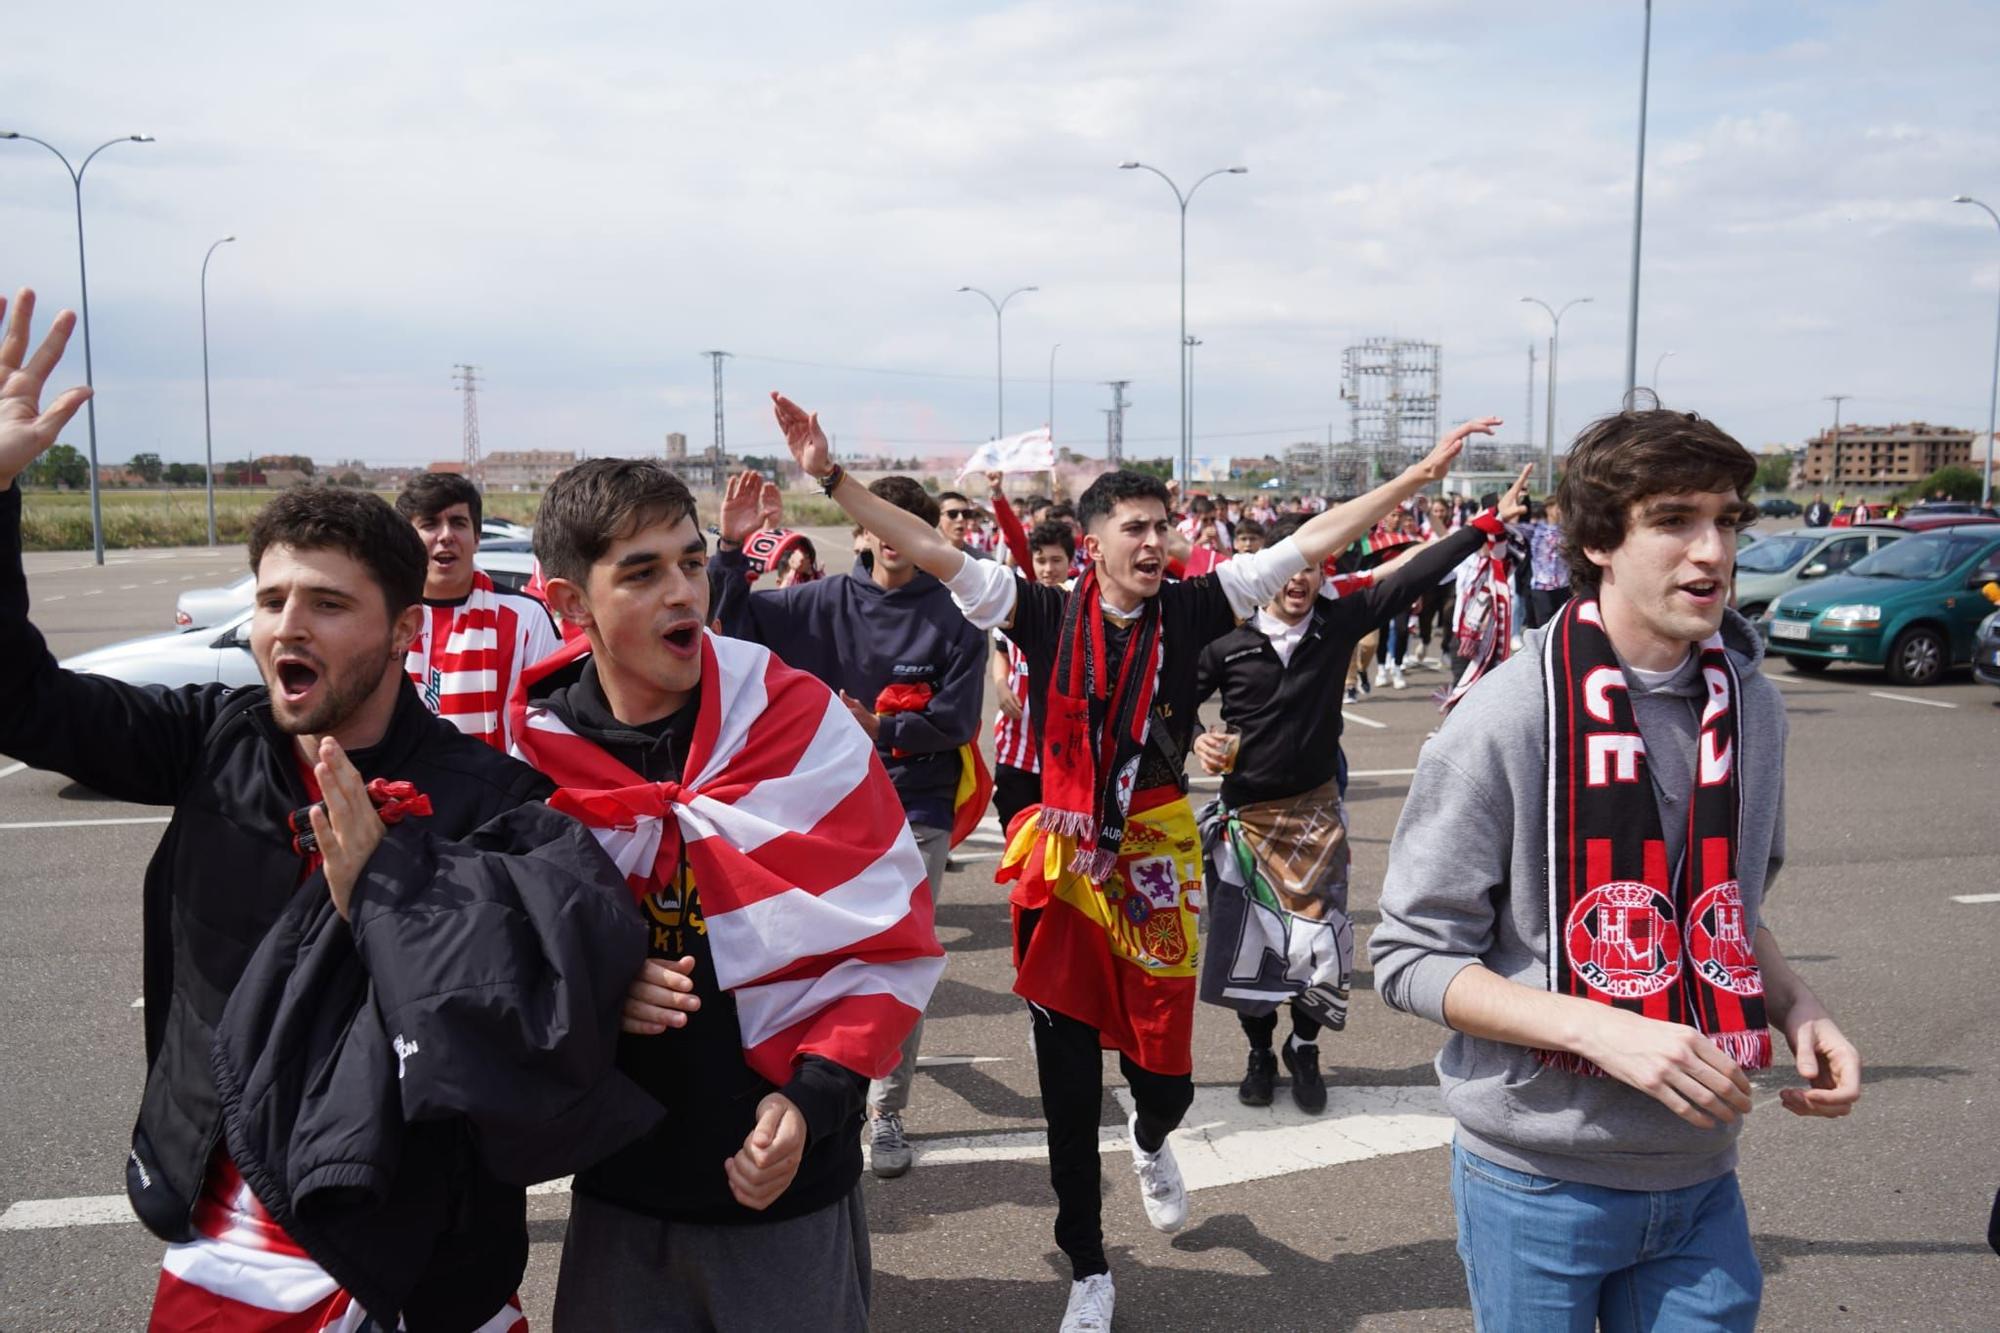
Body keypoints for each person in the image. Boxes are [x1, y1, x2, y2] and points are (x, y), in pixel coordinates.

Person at [772, 388, 1499, 1333]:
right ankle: (1088, 1267)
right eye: (1135, 528)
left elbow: (1316, 540)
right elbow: (928, 542)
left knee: (1166, 1074)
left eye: (1163, 526)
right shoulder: (1030, 607)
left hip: (1154, 855)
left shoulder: (1199, 605)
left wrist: (1421, 477)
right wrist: (830, 477)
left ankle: (1153, 1135)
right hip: (1066, 862)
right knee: (1066, 1081)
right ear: (1095, 541)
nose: (1154, 543)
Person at [0, 289, 656, 1333]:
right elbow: (21, 697)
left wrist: (387, 885)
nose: (283, 627)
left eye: (325, 603)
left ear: (403, 633)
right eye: (268, 601)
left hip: (421, 1270)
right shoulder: (212, 741)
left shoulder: (494, 800)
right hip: (226, 1255)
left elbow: (541, 1001)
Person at [1371, 408, 1862, 1331]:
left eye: (1727, 518)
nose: (1711, 551)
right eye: (1674, 519)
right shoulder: (1505, 718)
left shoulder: (1751, 707)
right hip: (1539, 1181)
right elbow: (1409, 957)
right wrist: (1604, 1029)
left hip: (1703, 1174)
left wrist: (1798, 1004)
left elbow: (1722, 911)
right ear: (1599, 538)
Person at [517, 458, 945, 1333]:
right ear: (570, 605)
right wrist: (600, 983)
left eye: (690, 559)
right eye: (641, 572)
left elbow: (888, 937)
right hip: (619, 1193)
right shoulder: (536, 757)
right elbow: (500, 965)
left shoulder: (797, 722)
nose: (684, 591)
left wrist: (813, 1100)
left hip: (785, 1195)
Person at [1193, 473, 1527, 1113]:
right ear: (1267, 575)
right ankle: (1261, 1052)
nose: (1300, 580)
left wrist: (1484, 525)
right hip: (1245, 821)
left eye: (1314, 568)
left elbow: (1412, 577)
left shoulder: (1339, 625)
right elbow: (1173, 703)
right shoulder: (1227, 647)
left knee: (1319, 948)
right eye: (1291, 568)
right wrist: (1199, 739)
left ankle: (1306, 1047)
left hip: (1316, 816)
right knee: (1253, 952)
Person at [707, 470, 988, 1181]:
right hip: (823, 813)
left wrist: (884, 727)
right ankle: (817, 1094)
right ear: (860, 533)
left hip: (914, 811)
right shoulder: (821, 600)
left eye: (906, 525)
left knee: (896, 966)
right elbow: (732, 626)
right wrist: (732, 550)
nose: (891, 537)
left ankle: (888, 1108)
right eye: (879, 523)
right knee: (816, 960)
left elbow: (957, 720)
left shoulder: (957, 614)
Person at [395, 472, 565, 752]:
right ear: (408, 539)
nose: (446, 535)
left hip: (499, 791)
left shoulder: (526, 617)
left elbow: (553, 723)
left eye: (458, 523)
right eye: (430, 524)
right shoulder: (384, 619)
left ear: (476, 537)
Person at [991, 519, 1077, 831]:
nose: (1048, 569)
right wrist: (1001, 686)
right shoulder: (1016, 605)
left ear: (1071, 561)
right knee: (1018, 846)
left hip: (1066, 756)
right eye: (1041, 560)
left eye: (1057, 560)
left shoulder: (1084, 608)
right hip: (1016, 752)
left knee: (1061, 856)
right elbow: (1001, 654)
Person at [1523, 495, 1572, 630]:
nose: (1561, 511)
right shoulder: (1535, 529)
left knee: (1562, 626)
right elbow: (1509, 526)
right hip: (1541, 586)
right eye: (1558, 507)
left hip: (1563, 586)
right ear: (1549, 509)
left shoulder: (1569, 530)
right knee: (1544, 627)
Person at [937, 489, 991, 559]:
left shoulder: (982, 561)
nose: (961, 518)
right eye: (953, 514)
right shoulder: (924, 559)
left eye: (966, 514)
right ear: (937, 517)